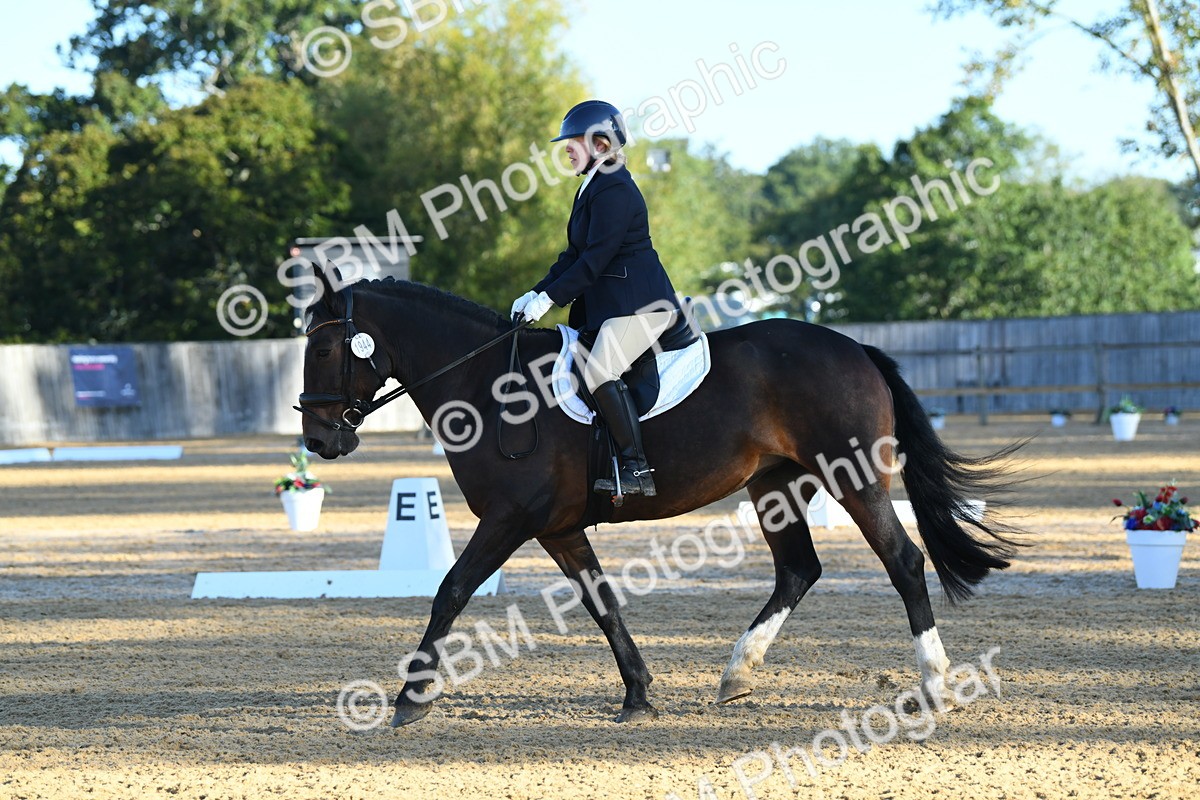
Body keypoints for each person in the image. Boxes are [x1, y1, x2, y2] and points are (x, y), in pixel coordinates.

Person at [511, 100, 682, 498]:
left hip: (640, 306)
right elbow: (572, 256)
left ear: (602, 144)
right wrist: (537, 292)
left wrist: (549, 301)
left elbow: (594, 260)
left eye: (574, 141)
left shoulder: (616, 188)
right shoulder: (593, 186)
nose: (566, 148)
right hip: (612, 308)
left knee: (599, 370)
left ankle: (636, 468)